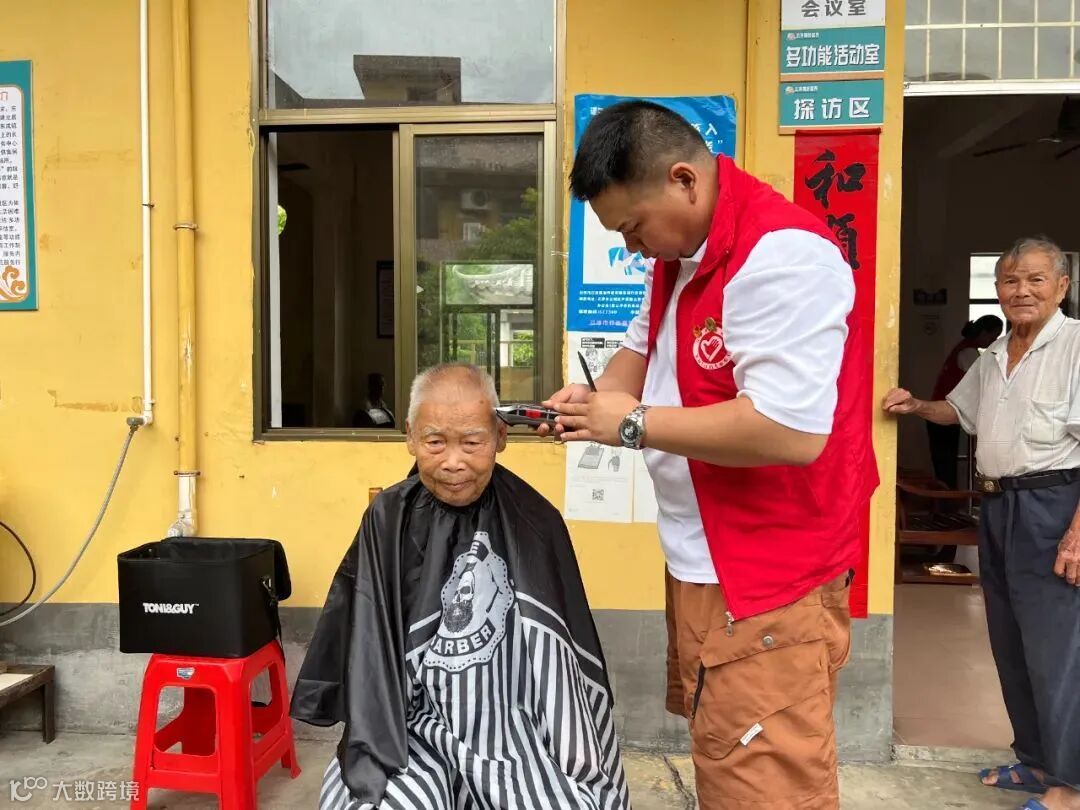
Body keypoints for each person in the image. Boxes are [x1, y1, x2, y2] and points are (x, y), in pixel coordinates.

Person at [543, 101, 878, 809]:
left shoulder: (783, 256)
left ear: (684, 180)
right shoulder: (681, 254)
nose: (635, 249)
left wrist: (632, 424)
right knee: (724, 752)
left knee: (767, 782)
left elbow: (789, 431)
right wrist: (594, 402)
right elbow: (640, 344)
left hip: (767, 573)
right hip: (704, 559)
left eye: (634, 228)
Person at [291, 363, 629, 810]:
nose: (454, 462)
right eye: (435, 442)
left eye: (472, 442)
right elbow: (370, 645)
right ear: (410, 437)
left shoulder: (536, 520)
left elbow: (561, 664)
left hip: (515, 723)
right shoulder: (388, 517)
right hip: (410, 725)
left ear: (501, 437)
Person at [883, 237, 1080, 810]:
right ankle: (1035, 760)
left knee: (1057, 650)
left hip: (1053, 505)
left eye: (1035, 280)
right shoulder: (996, 352)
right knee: (1010, 641)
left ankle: (1069, 784)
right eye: (1010, 281)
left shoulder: (1074, 347)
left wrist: (1076, 534)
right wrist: (917, 407)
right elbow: (959, 411)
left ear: (1062, 286)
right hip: (996, 507)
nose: (1021, 291)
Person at [927, 315, 1004, 489]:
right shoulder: (968, 352)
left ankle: (948, 500)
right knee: (945, 465)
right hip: (944, 412)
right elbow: (984, 382)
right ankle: (948, 501)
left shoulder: (964, 348)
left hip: (943, 413)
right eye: (993, 335)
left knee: (944, 462)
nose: (994, 341)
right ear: (984, 332)